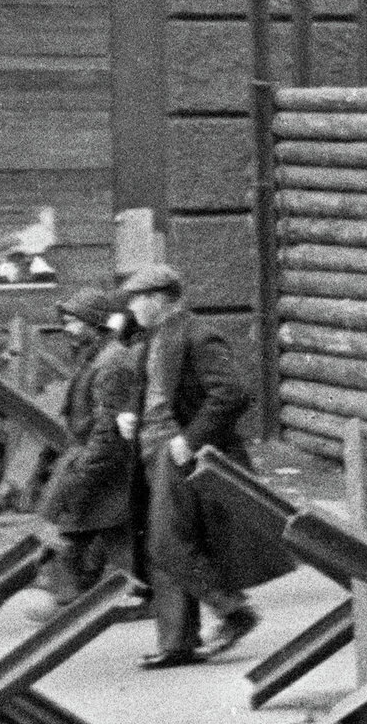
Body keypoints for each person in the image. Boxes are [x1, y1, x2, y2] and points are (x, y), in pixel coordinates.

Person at [119, 265, 292, 666]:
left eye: (137, 298)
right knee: (163, 542)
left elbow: (231, 394)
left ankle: (233, 611)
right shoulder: (151, 340)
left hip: (178, 454)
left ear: (160, 298)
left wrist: (190, 440)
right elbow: (150, 393)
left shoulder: (198, 334)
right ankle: (177, 642)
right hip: (151, 451)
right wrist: (130, 416)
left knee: (166, 542)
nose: (131, 307)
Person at [32, 289, 143, 603]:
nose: (67, 328)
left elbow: (110, 428)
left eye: (73, 322)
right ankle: (81, 596)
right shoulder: (97, 357)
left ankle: (77, 598)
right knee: (96, 532)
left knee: (79, 528)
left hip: (106, 465)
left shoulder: (112, 363)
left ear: (92, 322)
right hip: (94, 461)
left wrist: (83, 470)